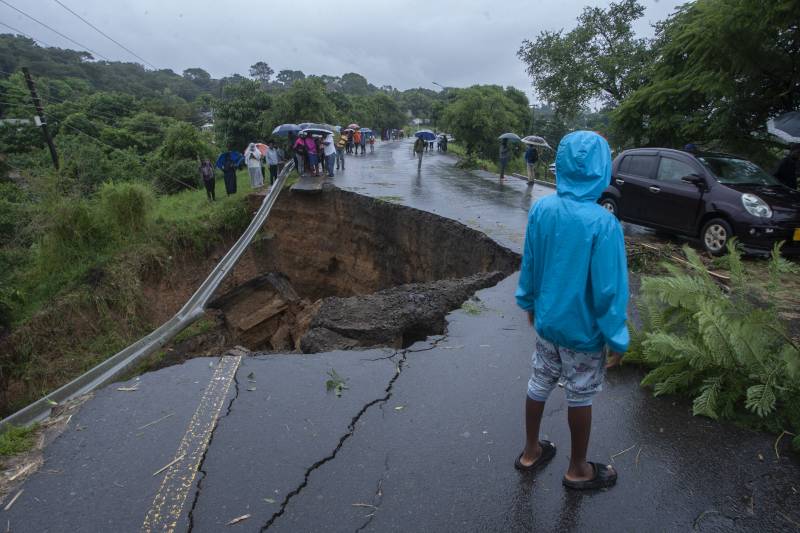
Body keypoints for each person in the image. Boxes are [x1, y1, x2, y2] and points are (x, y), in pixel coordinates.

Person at [514, 130, 628, 491]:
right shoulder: (603, 223)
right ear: (601, 169)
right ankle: (578, 468)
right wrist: (617, 338)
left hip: (548, 324)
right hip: (584, 332)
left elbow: (531, 262)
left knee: (539, 382)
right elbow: (608, 290)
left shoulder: (542, 209)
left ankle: (531, 451)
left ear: (560, 163)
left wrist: (529, 303)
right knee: (579, 393)